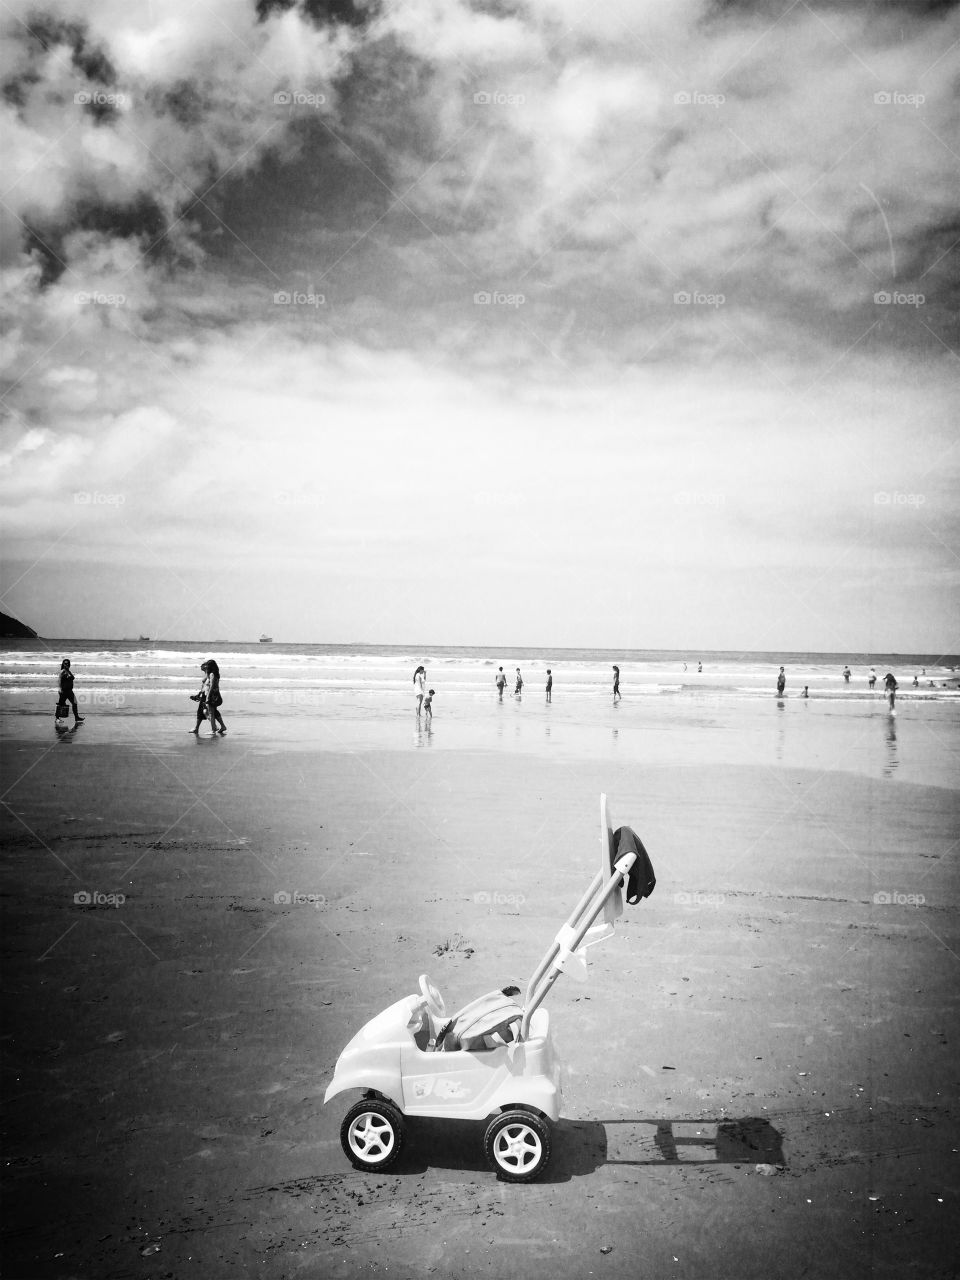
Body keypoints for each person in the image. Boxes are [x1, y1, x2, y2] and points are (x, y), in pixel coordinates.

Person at [57, 659, 84, 725]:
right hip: (64, 691)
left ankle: (77, 718)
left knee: (74, 703)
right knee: (61, 704)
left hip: (69, 691)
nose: (67, 664)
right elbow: (59, 680)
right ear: (63, 664)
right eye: (65, 663)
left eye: (68, 663)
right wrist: (59, 688)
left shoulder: (68, 671)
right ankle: (57, 718)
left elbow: (72, 678)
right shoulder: (62, 671)